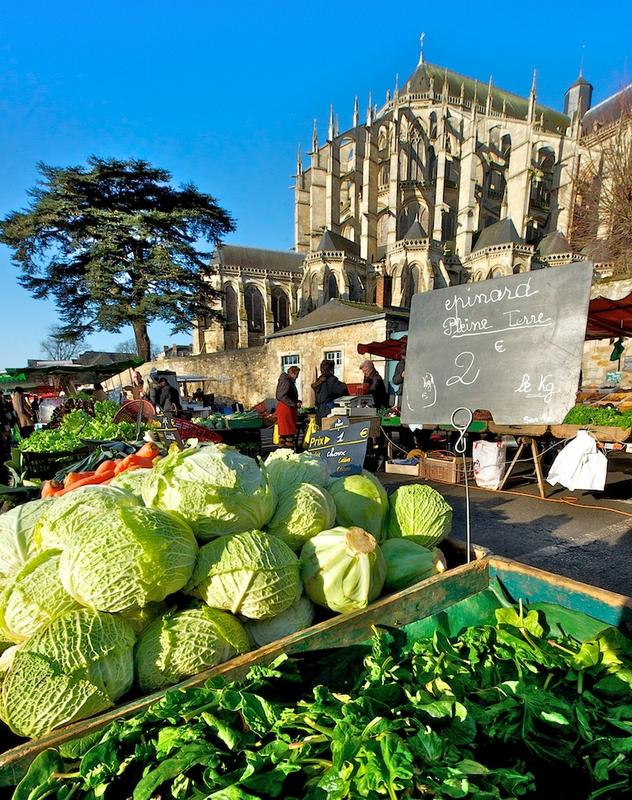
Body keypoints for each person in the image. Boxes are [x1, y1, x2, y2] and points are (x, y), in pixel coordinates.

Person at [311, 360, 347, 425]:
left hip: (319, 411)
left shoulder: (319, 380)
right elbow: (342, 390)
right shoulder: (331, 380)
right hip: (328, 411)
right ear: (331, 369)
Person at [275, 365, 302, 449]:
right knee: (288, 434)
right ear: (293, 373)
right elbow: (281, 396)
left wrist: (296, 401)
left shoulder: (287, 380)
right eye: (297, 375)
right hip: (286, 409)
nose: (297, 377)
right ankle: (288, 453)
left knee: (284, 434)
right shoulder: (286, 381)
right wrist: (294, 403)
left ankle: (283, 454)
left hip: (286, 408)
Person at [392, 340, 407, 405]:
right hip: (403, 394)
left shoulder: (417, 363)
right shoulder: (400, 364)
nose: (402, 357)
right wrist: (401, 376)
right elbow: (394, 380)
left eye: (404, 355)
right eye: (402, 355)